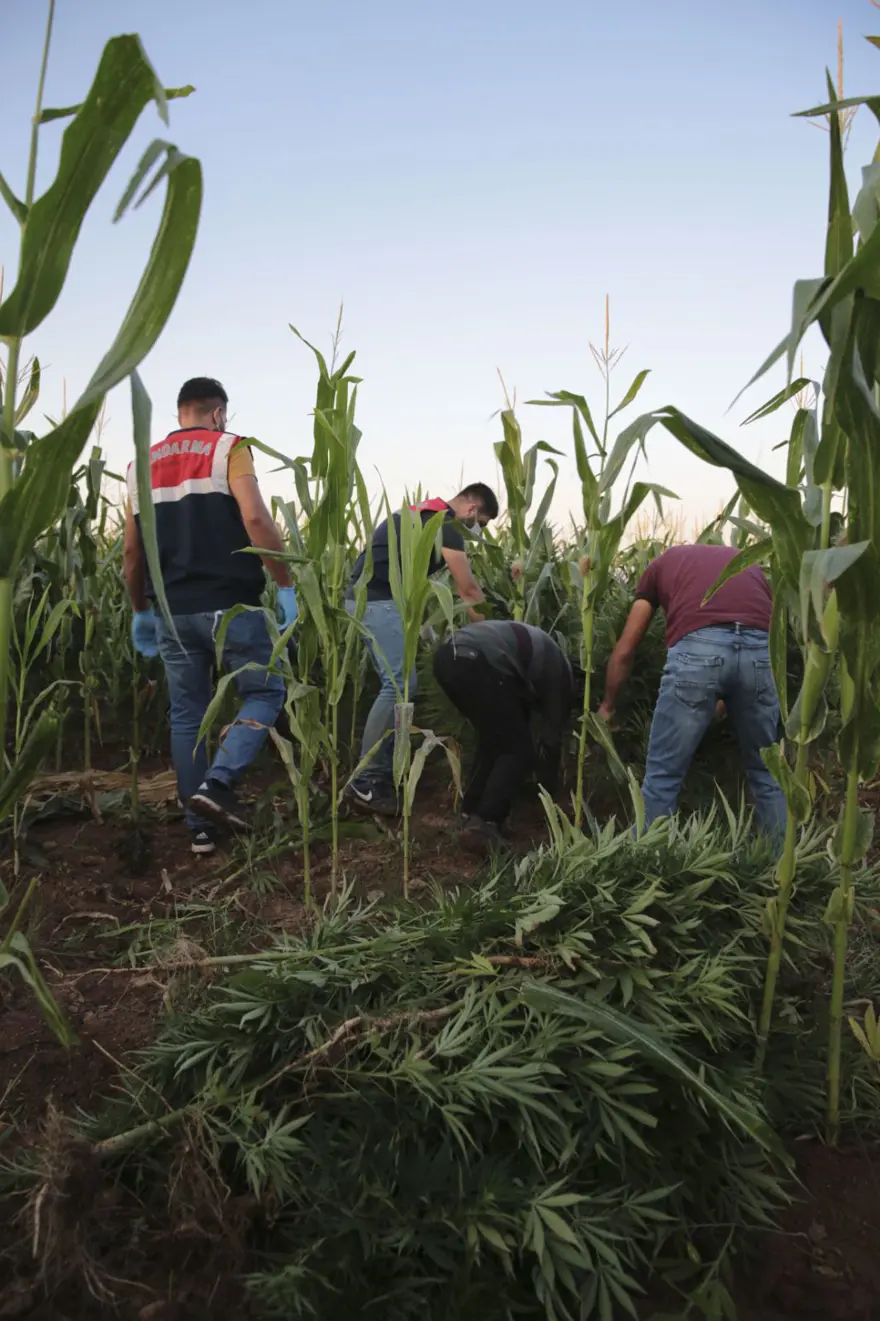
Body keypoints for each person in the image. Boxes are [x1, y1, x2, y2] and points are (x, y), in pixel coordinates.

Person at [123, 378, 298, 855]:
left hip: (172, 612)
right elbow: (257, 519)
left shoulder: (141, 465)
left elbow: (133, 555)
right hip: (231, 603)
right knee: (264, 691)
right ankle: (217, 785)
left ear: (182, 412)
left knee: (187, 714)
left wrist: (141, 611)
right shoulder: (230, 448)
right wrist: (285, 585)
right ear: (218, 412)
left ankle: (198, 830)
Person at [598, 542, 786, 837]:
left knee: (663, 776)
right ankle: (781, 874)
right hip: (761, 653)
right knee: (769, 773)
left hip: (698, 648)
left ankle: (648, 868)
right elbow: (742, 646)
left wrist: (607, 706)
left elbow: (625, 649)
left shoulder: (658, 567)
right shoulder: (747, 563)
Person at [346, 485, 499, 815]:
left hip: (381, 601)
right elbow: (469, 590)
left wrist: (427, 631)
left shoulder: (422, 515)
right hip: (379, 602)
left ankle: (382, 774)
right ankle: (366, 781)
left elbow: (409, 580)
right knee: (399, 684)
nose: (478, 531)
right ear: (472, 509)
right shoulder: (446, 524)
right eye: (482, 523)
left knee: (401, 683)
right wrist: (491, 635)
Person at [433, 620, 574, 854]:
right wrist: (551, 796)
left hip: (448, 657)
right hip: (476, 659)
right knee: (518, 751)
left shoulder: (530, 669)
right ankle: (486, 822)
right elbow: (550, 740)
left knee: (495, 741)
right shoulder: (561, 675)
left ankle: (470, 814)